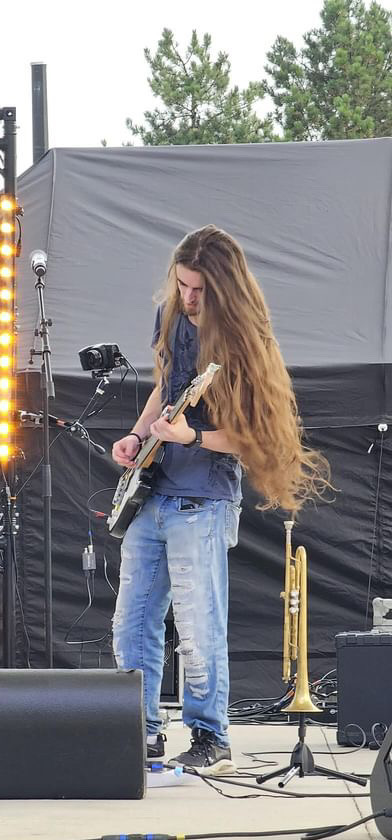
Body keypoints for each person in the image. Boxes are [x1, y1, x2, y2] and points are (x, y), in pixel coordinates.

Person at [111, 225, 329, 773]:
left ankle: (211, 737)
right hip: (153, 491)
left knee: (197, 626)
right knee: (132, 623)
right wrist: (139, 437)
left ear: (224, 289)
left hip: (203, 500)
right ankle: (139, 732)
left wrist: (194, 438)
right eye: (182, 285)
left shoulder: (245, 344)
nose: (187, 298)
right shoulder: (172, 320)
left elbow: (260, 438)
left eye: (199, 290)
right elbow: (166, 387)